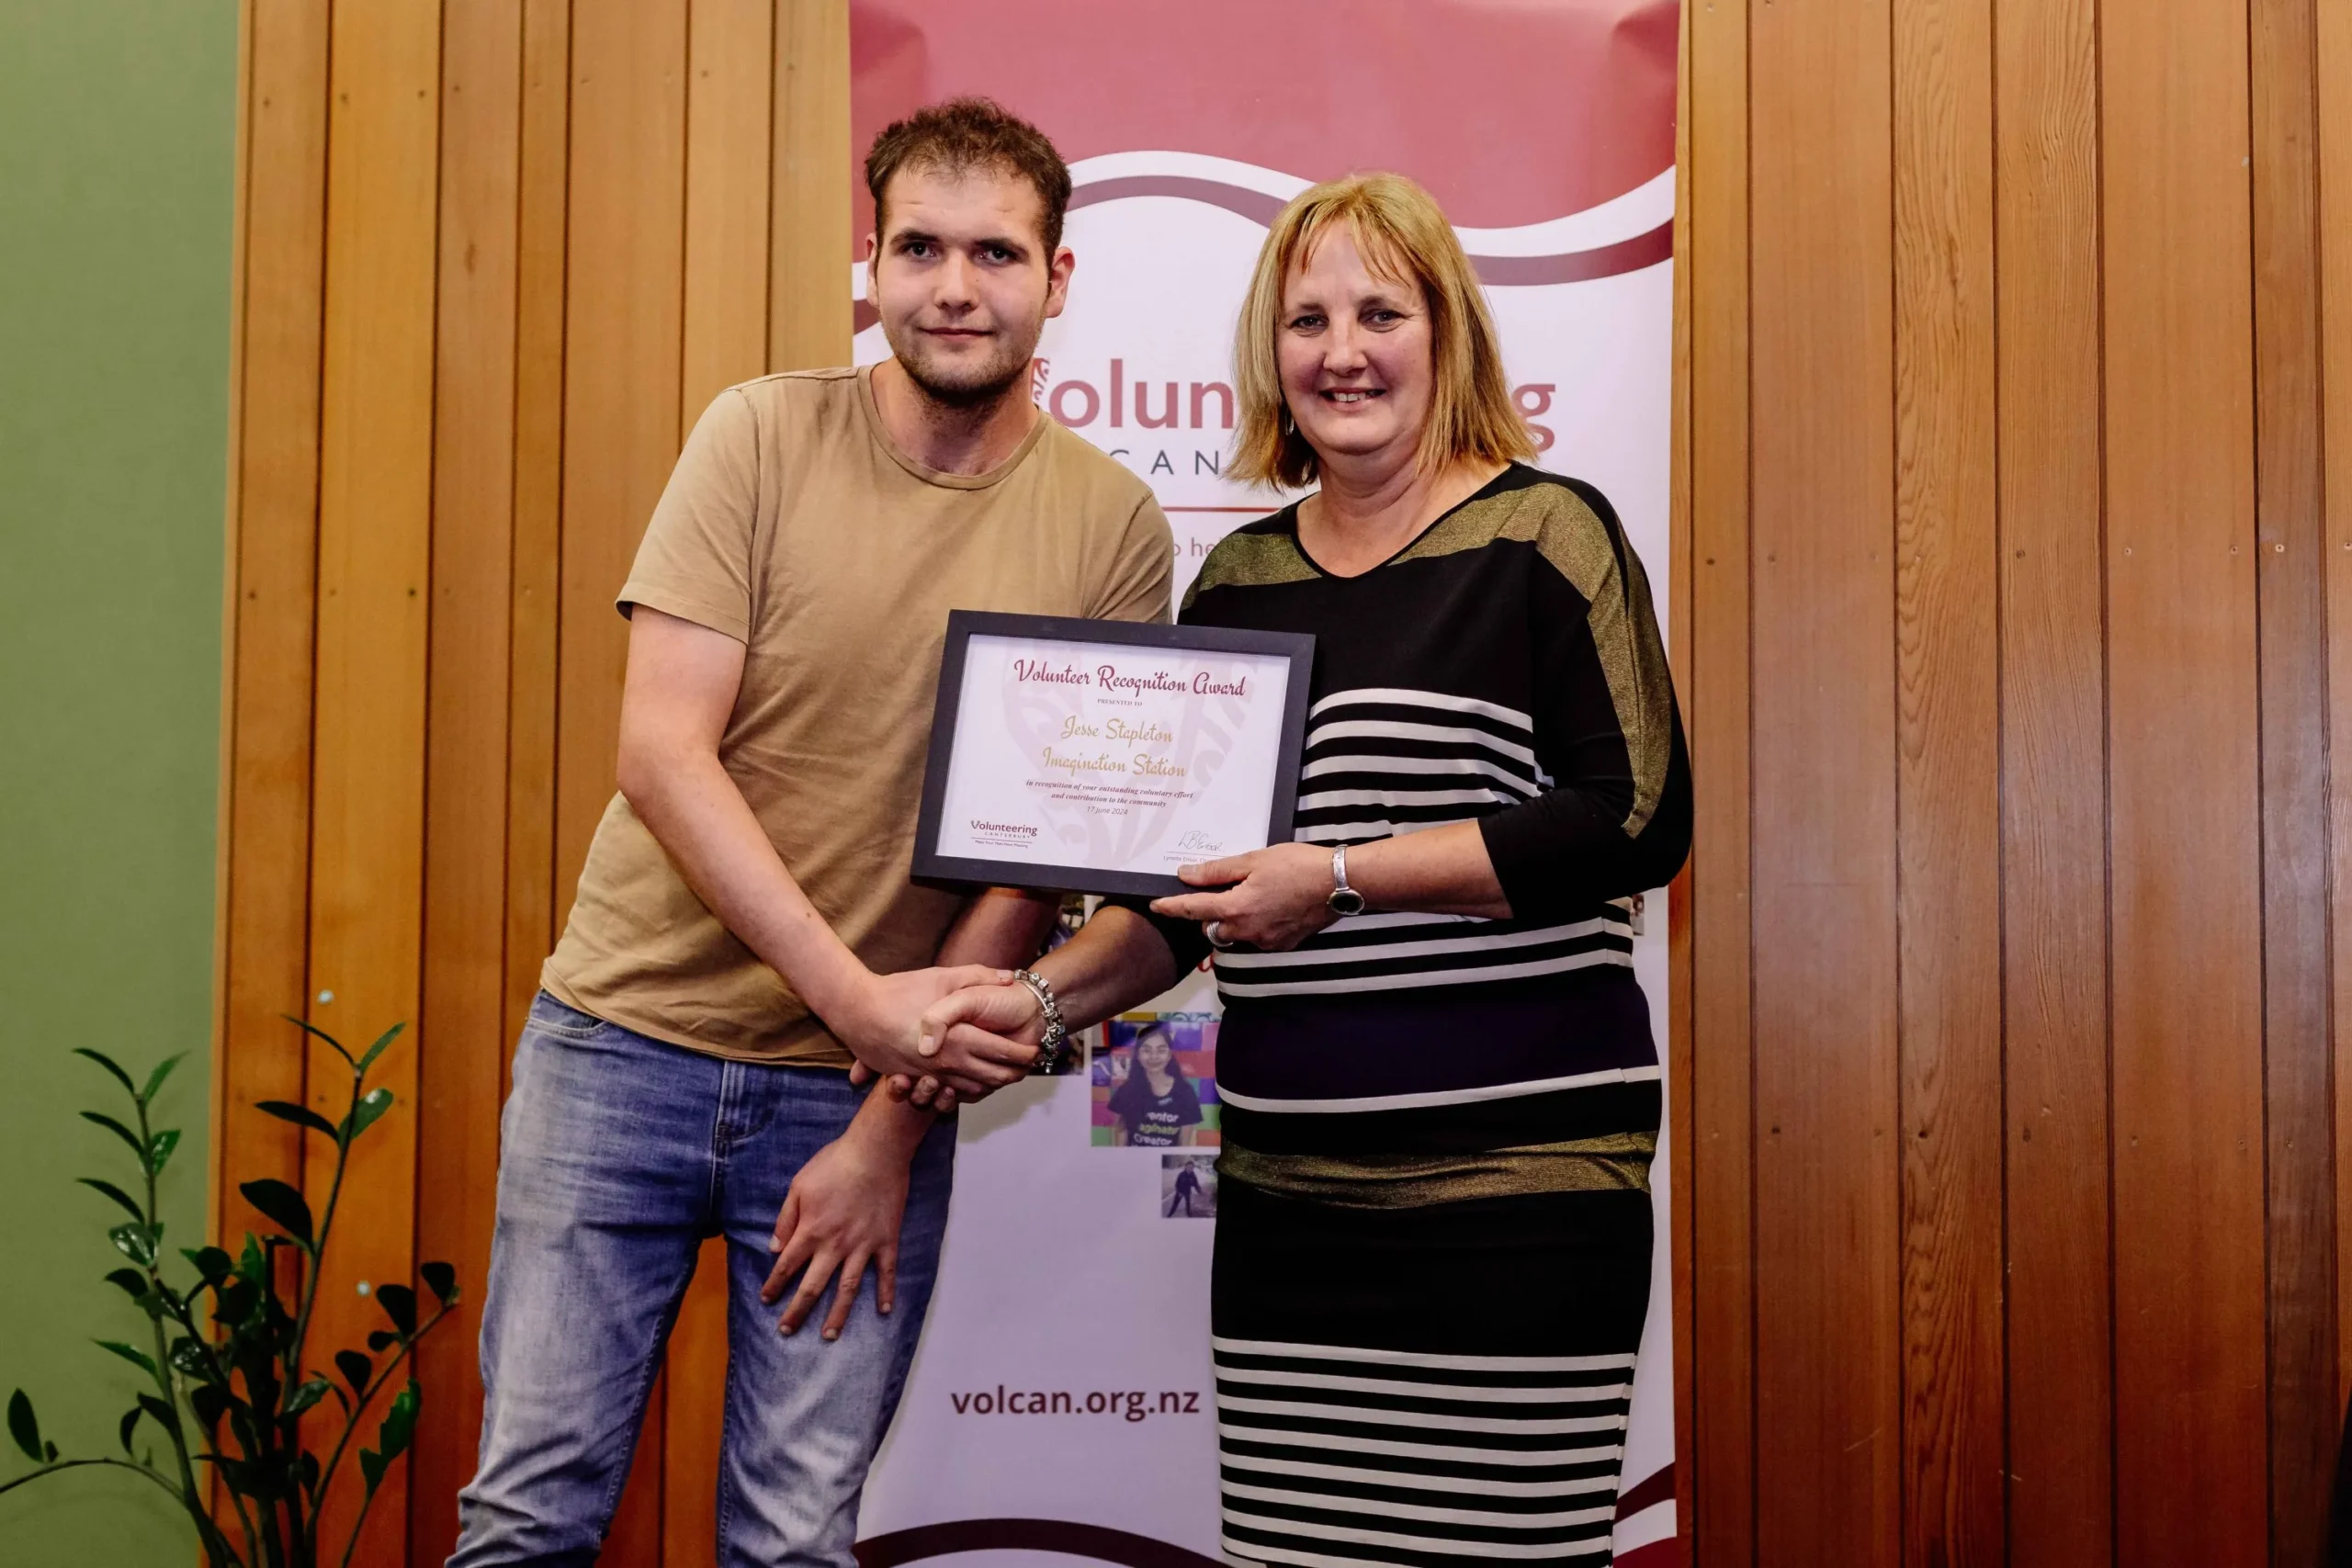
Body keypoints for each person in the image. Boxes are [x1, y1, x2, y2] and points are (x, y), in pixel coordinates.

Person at [907, 171, 1690, 1564]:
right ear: (1270, 352)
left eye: (1381, 313)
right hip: (1289, 1205)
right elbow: (1184, 898)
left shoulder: (1548, 536)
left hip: (1520, 1195)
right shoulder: (1238, 583)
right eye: (1306, 319)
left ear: (1447, 332)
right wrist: (1035, 1004)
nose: (1343, 352)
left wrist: (1338, 875)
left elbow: (1637, 817)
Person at [449, 98, 1172, 1568]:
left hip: (851, 1102)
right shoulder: (760, 433)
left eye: (994, 252)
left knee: (794, 1540)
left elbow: (1034, 858)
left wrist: (887, 1117)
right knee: (528, 1515)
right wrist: (865, 1005)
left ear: (1057, 279)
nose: (954, 286)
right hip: (620, 1051)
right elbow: (661, 752)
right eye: (919, 248)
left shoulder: (1112, 526)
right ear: (873, 263)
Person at [1106, 1023, 1203, 1147]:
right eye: (1147, 1050)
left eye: (1161, 1050)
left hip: (1167, 1160)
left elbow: (1184, 1145)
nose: (1153, 1056)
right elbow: (1120, 1134)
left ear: (1169, 1055)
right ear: (1138, 1055)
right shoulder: (1126, 1091)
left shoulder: (1184, 1092)